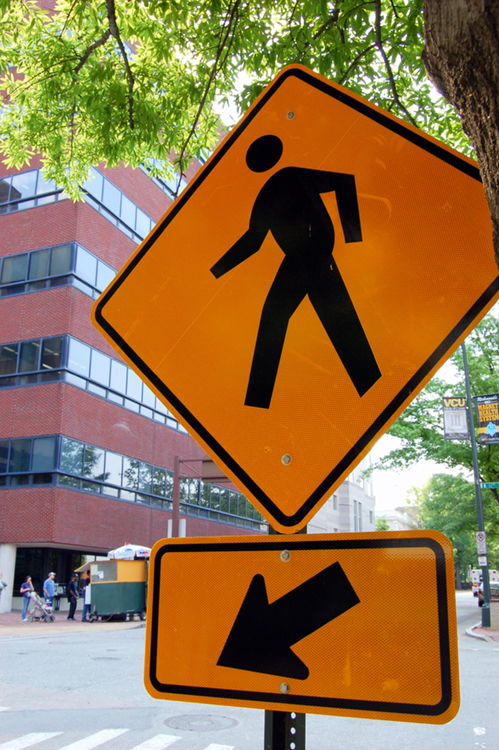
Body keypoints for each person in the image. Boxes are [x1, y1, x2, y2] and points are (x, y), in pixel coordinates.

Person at [210, 134, 381, 409]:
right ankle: (370, 385)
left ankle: (257, 401)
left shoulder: (290, 177)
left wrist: (354, 238)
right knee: (319, 317)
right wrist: (215, 272)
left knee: (317, 317)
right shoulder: (270, 192)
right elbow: (253, 242)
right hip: (300, 259)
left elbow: (343, 181)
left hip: (314, 254)